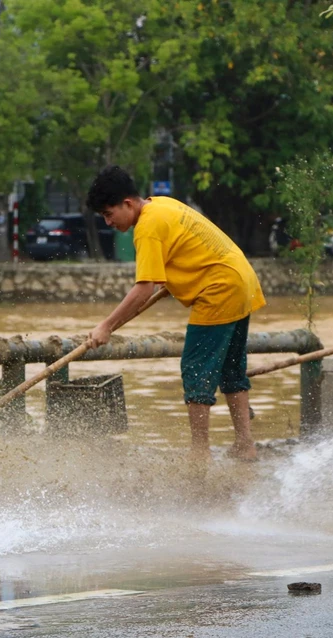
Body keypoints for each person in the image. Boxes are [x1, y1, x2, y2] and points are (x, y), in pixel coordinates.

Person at [84, 166, 266, 464]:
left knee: (196, 369)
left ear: (127, 204)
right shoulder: (162, 204)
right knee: (231, 369)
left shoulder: (147, 227)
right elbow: (186, 251)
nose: (108, 222)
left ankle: (199, 454)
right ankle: (245, 445)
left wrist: (106, 325)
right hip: (240, 279)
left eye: (108, 214)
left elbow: (143, 288)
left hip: (218, 289)